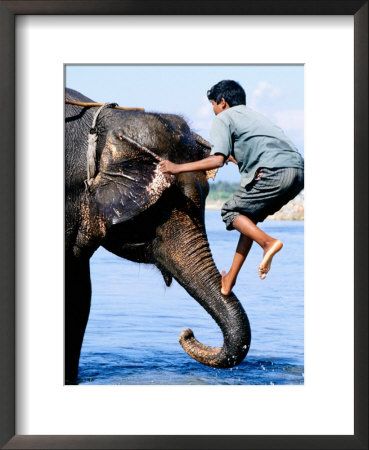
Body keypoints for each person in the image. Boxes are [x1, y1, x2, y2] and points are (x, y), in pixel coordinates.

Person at [159, 80, 304, 295]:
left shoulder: (224, 118)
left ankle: (268, 243)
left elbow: (217, 160)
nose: (214, 112)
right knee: (247, 218)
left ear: (222, 102)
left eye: (214, 107)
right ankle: (229, 282)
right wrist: (236, 158)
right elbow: (257, 147)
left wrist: (176, 167)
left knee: (230, 211)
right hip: (298, 172)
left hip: (272, 171)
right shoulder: (255, 117)